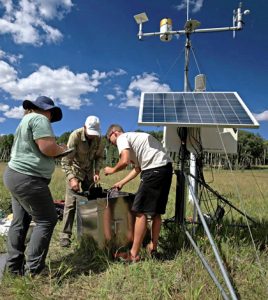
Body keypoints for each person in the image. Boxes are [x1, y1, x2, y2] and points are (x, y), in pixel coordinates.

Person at [3, 96, 67, 276]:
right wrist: (62, 149)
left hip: (14, 175)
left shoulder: (25, 120)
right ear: (45, 110)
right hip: (28, 178)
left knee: (20, 221)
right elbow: (47, 148)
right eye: (50, 113)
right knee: (47, 219)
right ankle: (35, 269)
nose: (50, 117)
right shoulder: (39, 118)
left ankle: (14, 268)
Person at [104, 124, 173, 261]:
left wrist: (111, 170)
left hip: (153, 170)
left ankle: (133, 254)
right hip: (166, 169)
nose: (114, 145)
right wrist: (121, 182)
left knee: (140, 211)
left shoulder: (122, 137)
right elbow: (138, 168)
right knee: (156, 212)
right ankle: (153, 248)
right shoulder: (136, 140)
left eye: (111, 141)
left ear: (115, 133)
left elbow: (124, 161)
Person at [60, 115, 104, 247]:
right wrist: (72, 178)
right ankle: (65, 236)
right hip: (75, 171)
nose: (92, 136)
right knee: (70, 205)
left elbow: (100, 157)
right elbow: (66, 160)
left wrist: (96, 172)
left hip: (89, 174)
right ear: (85, 127)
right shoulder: (75, 136)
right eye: (90, 133)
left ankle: (89, 233)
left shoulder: (99, 138)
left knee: (90, 203)